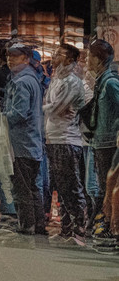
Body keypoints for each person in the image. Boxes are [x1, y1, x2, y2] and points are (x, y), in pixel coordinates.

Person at [42, 43, 87, 246]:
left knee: (71, 185)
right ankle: (66, 227)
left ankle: (80, 228)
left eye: (59, 54)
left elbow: (56, 108)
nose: (54, 57)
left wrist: (45, 107)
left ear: (70, 60)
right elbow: (48, 105)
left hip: (66, 139)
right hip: (53, 138)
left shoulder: (72, 82)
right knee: (60, 186)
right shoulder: (56, 80)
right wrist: (47, 106)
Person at [3, 43, 47, 242]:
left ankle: (26, 225)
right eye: (9, 56)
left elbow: (19, 113)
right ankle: (38, 224)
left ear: (26, 59)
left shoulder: (21, 82)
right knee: (32, 186)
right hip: (33, 142)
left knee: (22, 186)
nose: (11, 60)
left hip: (22, 142)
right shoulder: (32, 79)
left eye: (16, 57)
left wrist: (1, 117)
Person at [79, 39, 119, 246]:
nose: (86, 60)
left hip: (110, 144)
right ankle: (109, 230)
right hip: (101, 143)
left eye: (88, 56)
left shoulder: (110, 83)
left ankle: (112, 232)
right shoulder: (102, 82)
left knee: (108, 190)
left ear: (98, 59)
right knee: (103, 189)